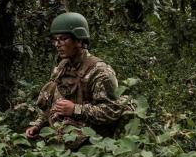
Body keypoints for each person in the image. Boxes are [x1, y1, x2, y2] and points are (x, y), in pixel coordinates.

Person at [25, 12, 124, 148]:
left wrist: (76, 110)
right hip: (61, 142)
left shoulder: (100, 72)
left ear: (79, 41)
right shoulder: (62, 67)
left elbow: (111, 111)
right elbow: (52, 104)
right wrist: (38, 124)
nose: (57, 44)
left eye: (63, 39)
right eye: (55, 39)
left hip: (92, 146)